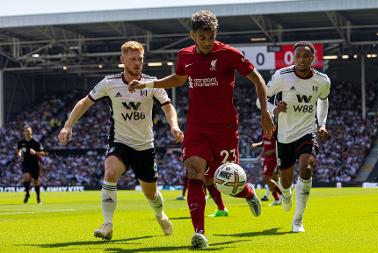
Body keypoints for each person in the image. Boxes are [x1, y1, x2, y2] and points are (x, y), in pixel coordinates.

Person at [128, 10, 275, 248]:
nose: (207, 42)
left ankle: (247, 193)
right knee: (194, 172)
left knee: (223, 183)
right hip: (197, 128)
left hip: (225, 129)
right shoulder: (184, 55)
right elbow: (178, 79)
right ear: (193, 35)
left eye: (211, 36)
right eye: (202, 37)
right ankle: (199, 233)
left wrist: (265, 113)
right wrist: (147, 84)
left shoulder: (228, 54)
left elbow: (257, 78)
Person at [58, 41, 183, 240]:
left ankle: (160, 214)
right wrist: (67, 125)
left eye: (140, 59)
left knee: (150, 193)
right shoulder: (109, 83)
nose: (137, 63)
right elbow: (85, 102)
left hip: (145, 146)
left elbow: (168, 107)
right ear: (122, 60)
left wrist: (174, 125)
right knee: (110, 172)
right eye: (132, 59)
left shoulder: (152, 83)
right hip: (120, 141)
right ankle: (107, 224)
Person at [262, 41, 330, 233]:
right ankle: (285, 194)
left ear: (313, 58)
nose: (301, 60)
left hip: (308, 131)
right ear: (293, 57)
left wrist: (322, 123)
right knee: (285, 182)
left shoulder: (322, 80)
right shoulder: (282, 76)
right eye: (298, 56)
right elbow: (262, 99)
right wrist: (274, 109)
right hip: (284, 136)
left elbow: (323, 102)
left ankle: (298, 220)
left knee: (307, 168)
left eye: (306, 56)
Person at [17, 126, 47, 204]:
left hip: (35, 163)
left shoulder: (36, 142)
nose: (27, 132)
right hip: (26, 163)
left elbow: (43, 153)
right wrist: (19, 154)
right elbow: (18, 150)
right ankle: (27, 193)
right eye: (26, 131)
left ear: (31, 132)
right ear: (24, 132)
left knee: (36, 182)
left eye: (28, 131)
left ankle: (38, 197)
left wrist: (35, 152)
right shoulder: (21, 142)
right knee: (25, 177)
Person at [251, 131, 282, 206]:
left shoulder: (275, 131)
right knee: (271, 179)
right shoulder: (265, 131)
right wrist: (257, 145)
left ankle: (283, 196)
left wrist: (272, 151)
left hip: (274, 159)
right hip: (267, 159)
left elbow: (281, 144)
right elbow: (265, 144)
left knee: (266, 178)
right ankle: (277, 199)